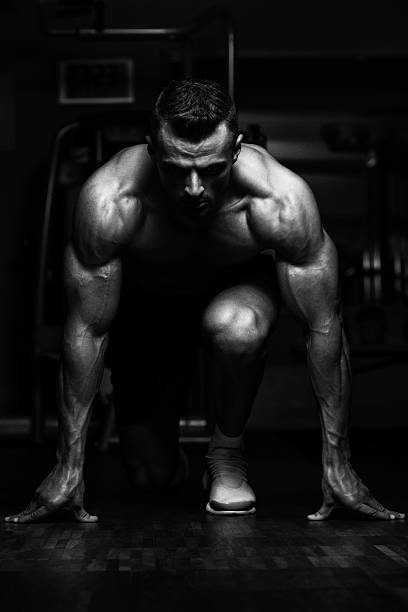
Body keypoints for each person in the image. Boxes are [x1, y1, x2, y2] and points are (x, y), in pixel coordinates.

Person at [5, 79, 404, 523]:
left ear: (236, 149)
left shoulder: (279, 201)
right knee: (149, 475)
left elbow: (325, 327)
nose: (194, 188)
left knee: (236, 328)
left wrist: (339, 464)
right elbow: (85, 329)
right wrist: (67, 465)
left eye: (211, 169)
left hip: (235, 290)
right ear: (152, 148)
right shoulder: (111, 201)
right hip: (149, 307)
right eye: (177, 169)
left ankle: (227, 454)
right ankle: (168, 459)